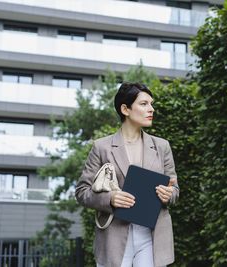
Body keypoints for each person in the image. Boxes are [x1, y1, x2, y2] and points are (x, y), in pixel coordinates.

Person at [75, 82, 179, 267]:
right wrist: (111, 198)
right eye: (144, 104)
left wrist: (169, 194)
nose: (151, 109)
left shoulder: (162, 146)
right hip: (114, 236)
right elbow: (82, 192)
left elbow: (175, 190)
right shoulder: (102, 147)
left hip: (152, 236)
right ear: (125, 109)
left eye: (151, 104)